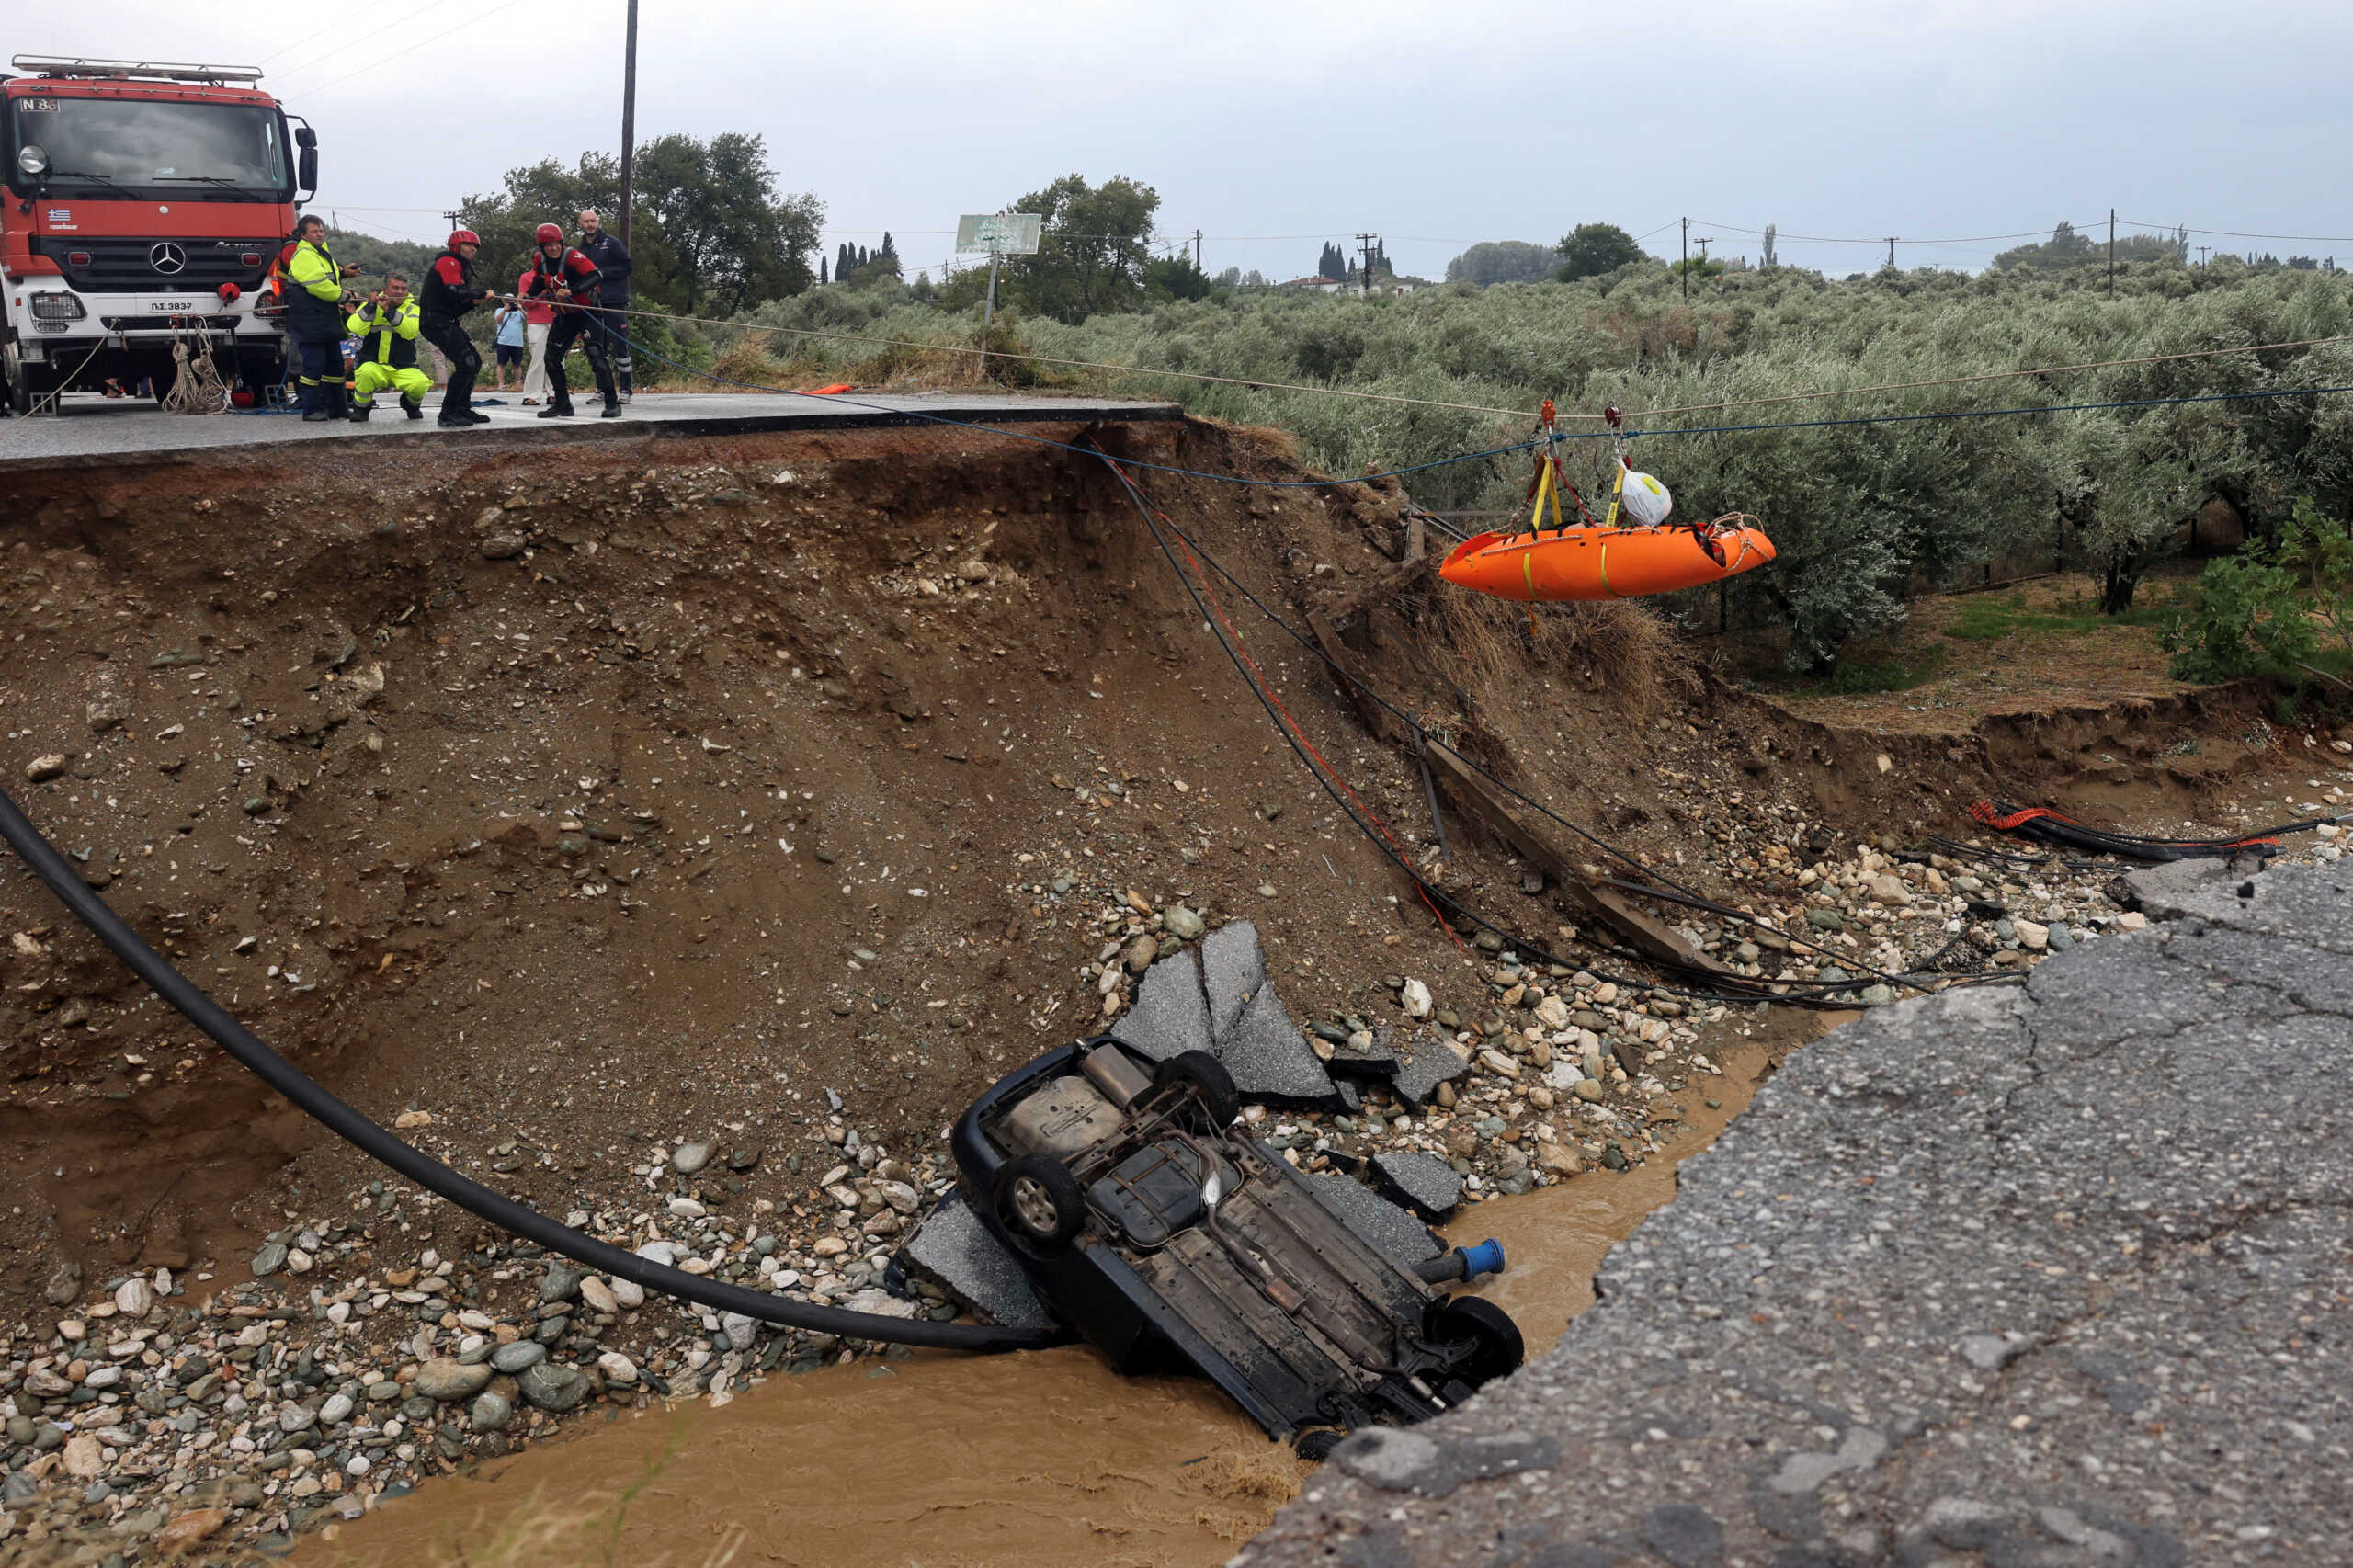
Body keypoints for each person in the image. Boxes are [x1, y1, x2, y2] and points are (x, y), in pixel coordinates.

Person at [522, 222, 620, 419]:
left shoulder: (573, 256)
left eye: (557, 243)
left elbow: (595, 275)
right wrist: (527, 294)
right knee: (551, 359)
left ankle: (612, 403)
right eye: (549, 245)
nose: (554, 248)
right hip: (565, 316)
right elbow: (540, 281)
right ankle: (563, 405)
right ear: (542, 247)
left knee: (596, 355)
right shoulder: (540, 260)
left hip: (587, 313)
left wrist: (573, 291)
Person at [418, 229, 502, 427]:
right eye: (468, 245)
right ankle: (447, 414)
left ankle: (462, 408)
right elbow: (455, 291)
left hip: (444, 321)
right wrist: (480, 293)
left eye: (475, 246)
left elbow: (456, 305)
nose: (472, 249)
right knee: (466, 363)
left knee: (475, 361)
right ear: (456, 247)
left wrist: (474, 301)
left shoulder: (460, 267)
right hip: (435, 322)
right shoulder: (449, 261)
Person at [283, 214, 358, 422]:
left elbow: (326, 277)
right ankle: (312, 409)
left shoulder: (320, 253)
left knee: (334, 366)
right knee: (314, 366)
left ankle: (337, 408)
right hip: (309, 320)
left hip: (325, 319)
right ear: (303, 235)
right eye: (314, 231)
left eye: (321, 230)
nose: (320, 234)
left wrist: (344, 273)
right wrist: (342, 296)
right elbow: (317, 284)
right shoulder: (304, 254)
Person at [346, 274, 431, 421]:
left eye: (403, 289)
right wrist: (371, 307)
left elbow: (410, 331)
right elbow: (354, 327)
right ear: (385, 289)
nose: (399, 292)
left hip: (403, 366)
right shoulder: (370, 306)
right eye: (395, 287)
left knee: (420, 384)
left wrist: (388, 311)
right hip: (374, 364)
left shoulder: (414, 309)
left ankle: (411, 406)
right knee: (365, 372)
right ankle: (361, 409)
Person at [575, 208, 633, 402]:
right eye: (586, 221)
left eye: (593, 221)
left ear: (598, 222)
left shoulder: (612, 243)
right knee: (597, 349)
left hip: (614, 302)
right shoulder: (580, 249)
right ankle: (602, 389)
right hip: (592, 305)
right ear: (580, 224)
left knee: (620, 347)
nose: (590, 224)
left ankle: (625, 391)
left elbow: (627, 267)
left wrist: (602, 273)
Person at [517, 263, 554, 404]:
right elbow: (526, 304)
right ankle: (532, 394)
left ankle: (554, 393)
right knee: (537, 360)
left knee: (557, 359)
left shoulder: (556, 276)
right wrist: (540, 294)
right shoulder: (526, 277)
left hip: (556, 320)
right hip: (536, 322)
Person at [492, 295, 528, 392]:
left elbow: (529, 319)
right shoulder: (500, 310)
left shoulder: (519, 311)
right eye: (507, 300)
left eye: (511, 301)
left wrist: (521, 309)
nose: (509, 302)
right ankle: (501, 384)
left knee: (517, 364)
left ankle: (518, 383)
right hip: (503, 341)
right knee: (501, 363)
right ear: (503, 301)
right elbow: (497, 320)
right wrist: (505, 310)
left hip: (517, 342)